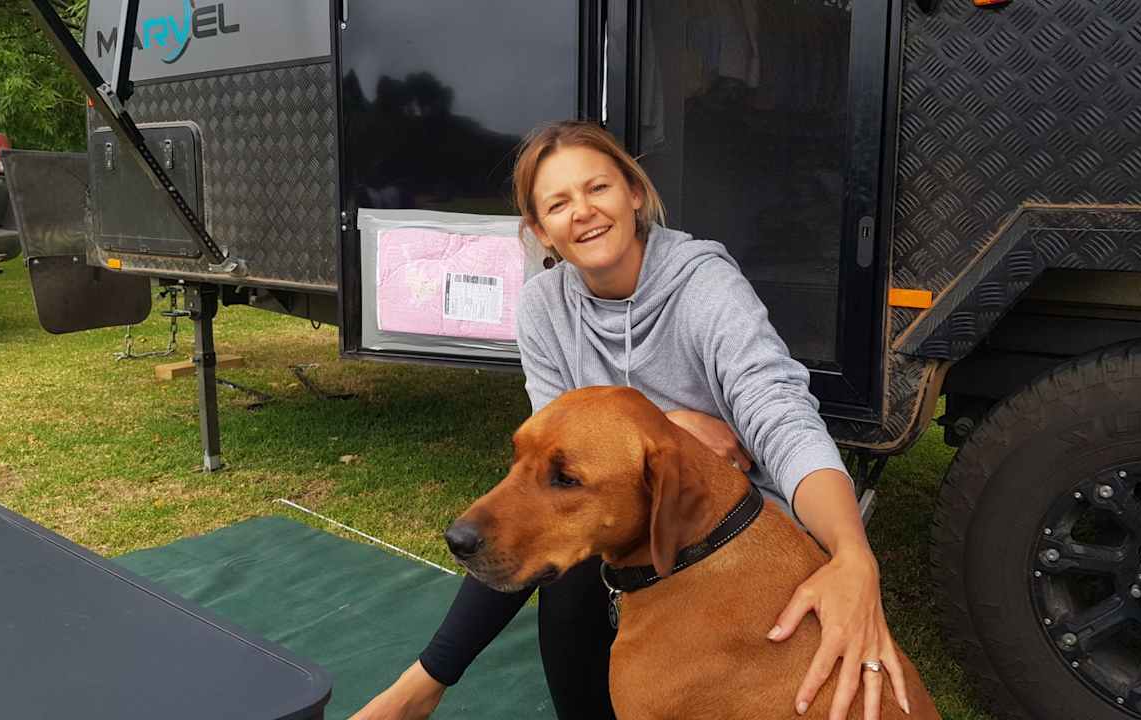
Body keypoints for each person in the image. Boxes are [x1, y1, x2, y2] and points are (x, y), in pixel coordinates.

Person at [351, 121, 909, 720]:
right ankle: (428, 683)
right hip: (614, 509)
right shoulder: (543, 305)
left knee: (565, 533)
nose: (584, 212)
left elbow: (782, 419)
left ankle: (421, 688)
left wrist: (852, 554)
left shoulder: (704, 286)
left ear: (634, 194)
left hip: (724, 519)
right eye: (558, 203)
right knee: (557, 555)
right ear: (540, 230)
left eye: (598, 188)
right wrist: (672, 424)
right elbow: (554, 454)